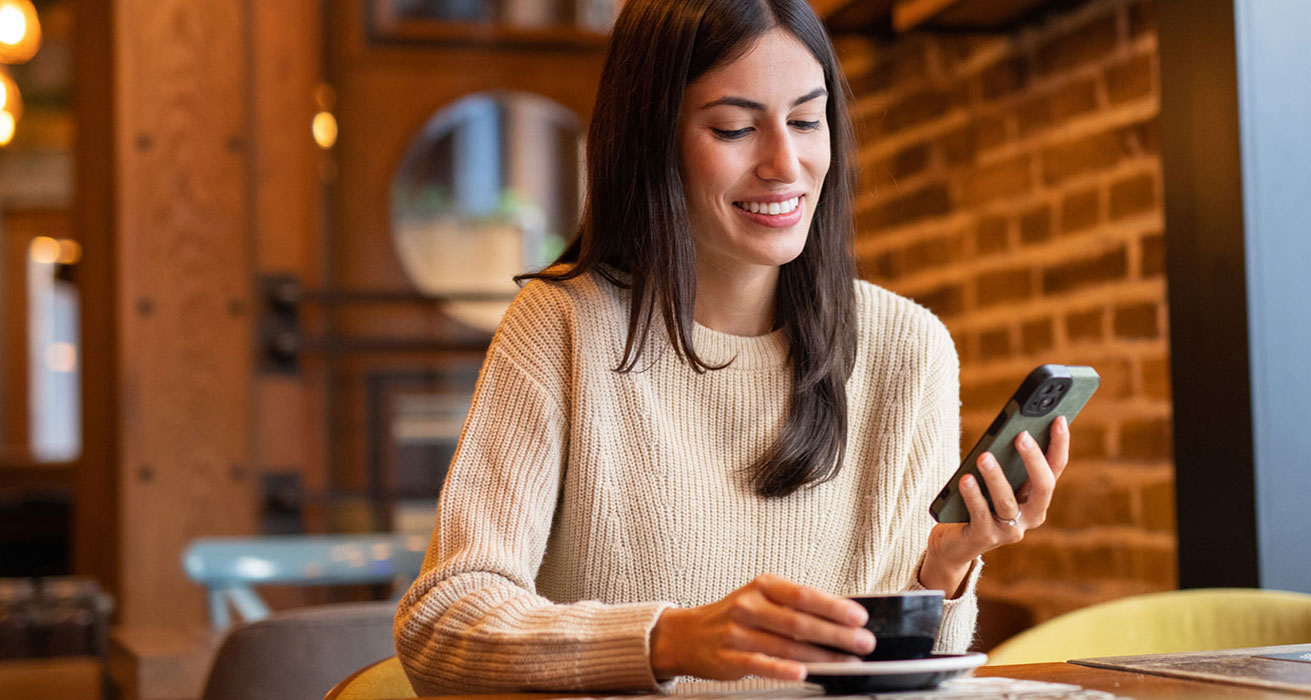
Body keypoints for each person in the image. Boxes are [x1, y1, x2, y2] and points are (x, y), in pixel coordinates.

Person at [393, 0, 1071, 693]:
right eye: (735, 128)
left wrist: (946, 566)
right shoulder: (563, 327)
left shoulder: (907, 350)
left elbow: (908, 677)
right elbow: (440, 624)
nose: (786, 164)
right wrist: (671, 640)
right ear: (652, 139)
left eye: (807, 121)